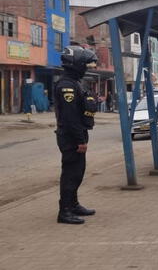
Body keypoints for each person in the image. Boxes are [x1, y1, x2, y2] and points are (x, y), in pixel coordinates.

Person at [54, 46, 98, 225]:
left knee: (78, 172)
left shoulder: (74, 82)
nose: (86, 68)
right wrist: (80, 140)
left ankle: (73, 204)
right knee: (71, 174)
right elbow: (70, 117)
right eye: (84, 64)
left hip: (76, 134)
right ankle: (64, 211)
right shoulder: (67, 86)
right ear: (77, 64)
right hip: (71, 137)